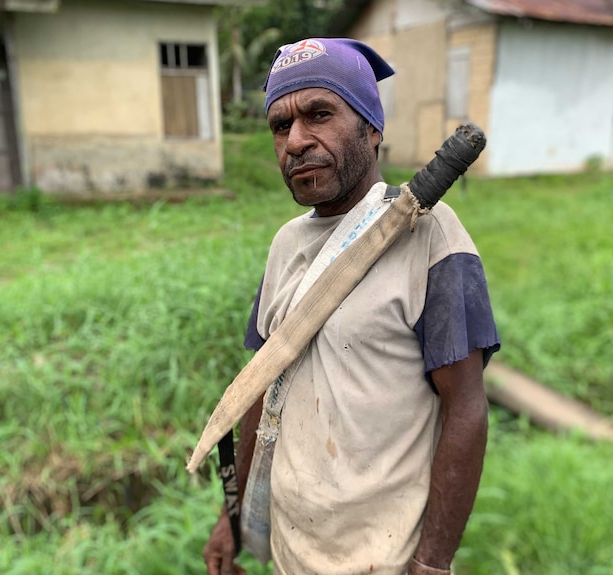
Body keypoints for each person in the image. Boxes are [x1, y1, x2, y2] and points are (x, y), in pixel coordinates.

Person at [203, 37, 500, 575]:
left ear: (371, 127)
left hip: (382, 561)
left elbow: (467, 411)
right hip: (292, 554)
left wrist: (432, 564)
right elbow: (258, 388)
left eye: (319, 114)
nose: (295, 141)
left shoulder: (431, 239)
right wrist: (231, 518)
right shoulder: (286, 246)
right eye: (280, 125)